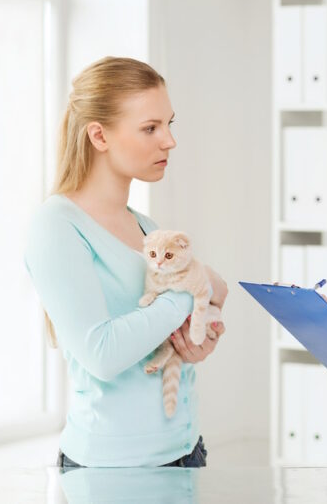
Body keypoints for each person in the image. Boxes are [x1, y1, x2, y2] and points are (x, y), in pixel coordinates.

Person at [24, 56, 228, 468]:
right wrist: (192, 293)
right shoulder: (57, 225)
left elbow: (198, 301)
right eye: (150, 128)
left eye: (169, 124)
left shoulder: (146, 228)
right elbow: (102, 353)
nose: (168, 141)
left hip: (185, 453)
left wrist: (192, 344)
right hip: (114, 472)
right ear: (99, 136)